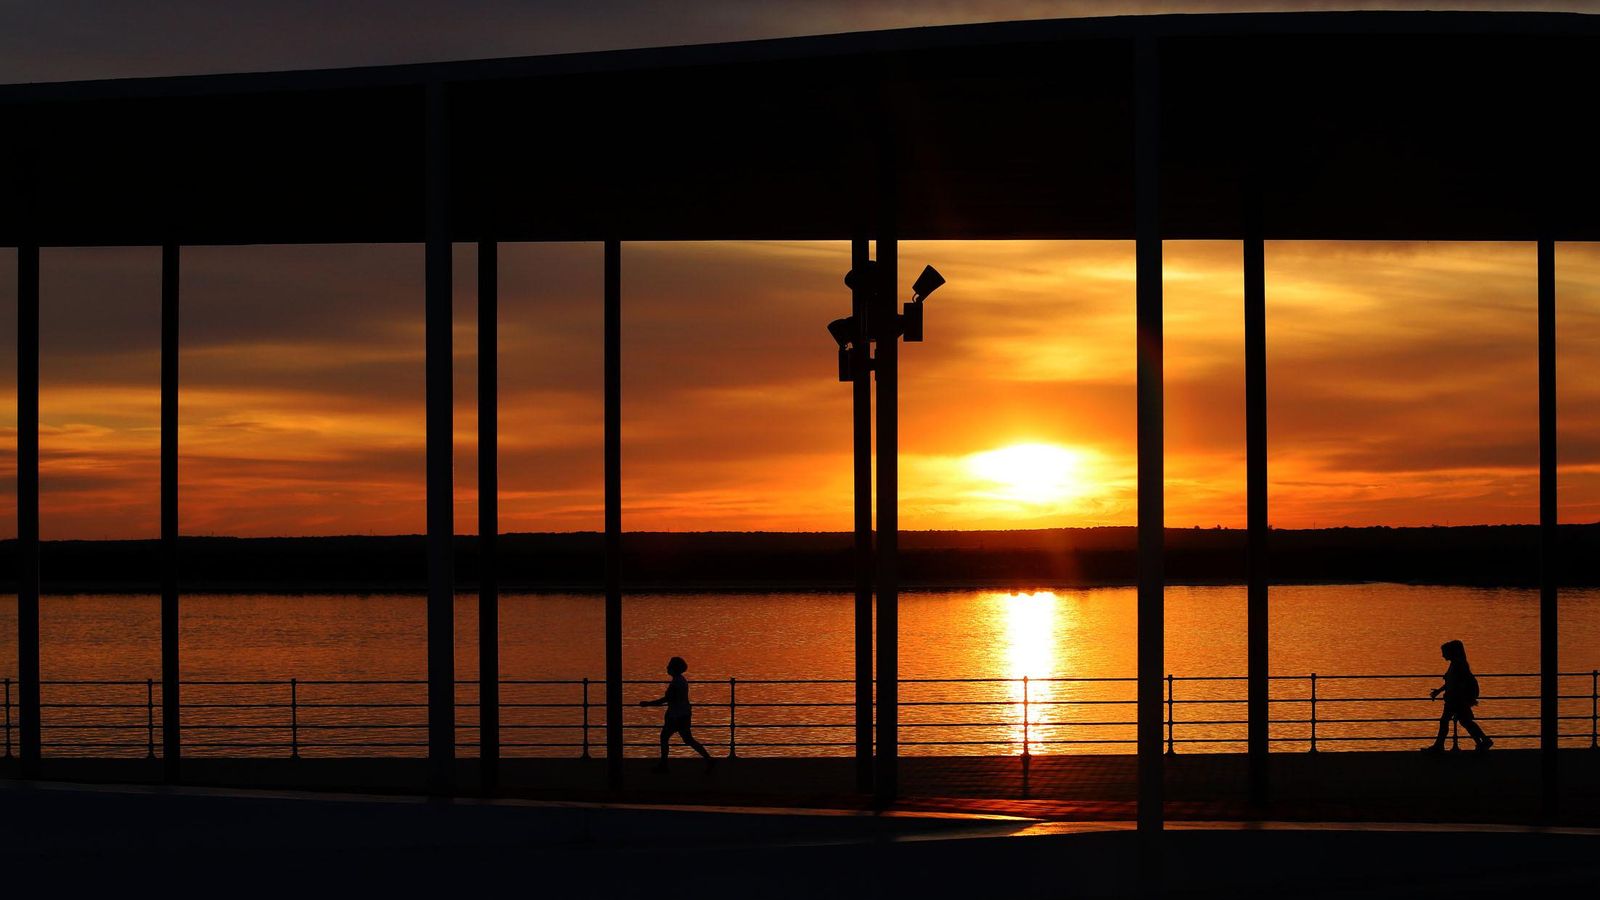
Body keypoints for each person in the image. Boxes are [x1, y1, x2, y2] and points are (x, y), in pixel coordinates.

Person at [639, 656, 716, 773]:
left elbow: (667, 699)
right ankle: (708, 759)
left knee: (666, 737)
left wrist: (648, 704)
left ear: (674, 668)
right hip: (683, 714)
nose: (667, 667)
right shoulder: (681, 680)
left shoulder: (676, 682)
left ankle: (664, 765)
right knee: (687, 739)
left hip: (676, 716)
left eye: (669, 665)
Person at [1422, 639, 1493, 753]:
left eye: (1444, 652)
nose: (1442, 655)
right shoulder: (1456, 664)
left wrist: (1460, 698)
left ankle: (1439, 746)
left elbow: (1457, 683)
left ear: (1451, 652)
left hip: (1456, 700)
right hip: (1456, 699)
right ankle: (1483, 741)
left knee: (1446, 721)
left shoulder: (1458, 665)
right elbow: (1450, 682)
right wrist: (1439, 691)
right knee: (1465, 722)